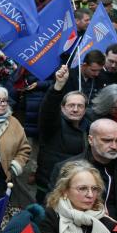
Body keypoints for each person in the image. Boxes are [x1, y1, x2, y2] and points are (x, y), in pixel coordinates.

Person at [35, 65, 90, 203]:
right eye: (71, 105)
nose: (75, 109)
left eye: (80, 106)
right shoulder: (53, 125)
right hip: (51, 186)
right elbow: (48, 109)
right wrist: (58, 86)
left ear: (85, 109)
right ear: (62, 107)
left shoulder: (90, 127)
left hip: (78, 188)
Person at [48, 119, 117, 218]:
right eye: (107, 140)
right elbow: (53, 203)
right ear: (91, 140)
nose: (114, 146)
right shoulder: (68, 168)